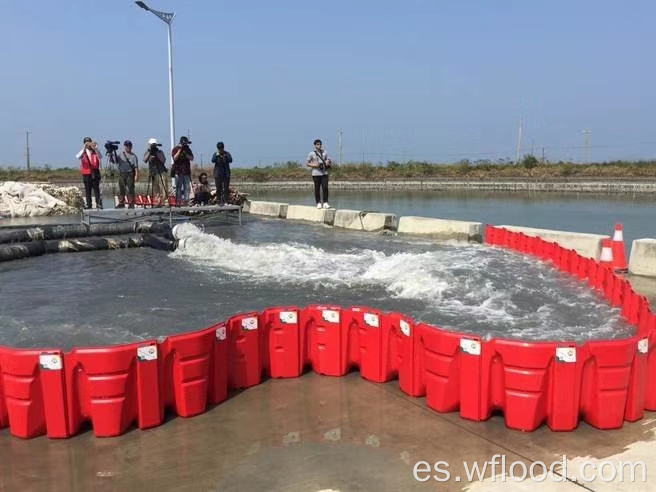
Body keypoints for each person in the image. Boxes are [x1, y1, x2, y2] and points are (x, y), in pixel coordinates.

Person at [75, 137, 103, 209]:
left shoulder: (95, 151)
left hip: (95, 172)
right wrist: (84, 148)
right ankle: (89, 205)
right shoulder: (83, 152)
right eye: (86, 143)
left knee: (96, 189)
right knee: (88, 190)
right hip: (86, 173)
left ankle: (98, 204)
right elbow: (78, 156)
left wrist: (95, 148)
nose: (88, 144)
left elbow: (100, 157)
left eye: (89, 142)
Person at [306, 138, 332, 209]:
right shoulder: (311, 153)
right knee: (317, 189)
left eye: (320, 144)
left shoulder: (325, 152)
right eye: (317, 144)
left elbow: (329, 160)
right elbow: (307, 163)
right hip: (316, 174)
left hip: (324, 173)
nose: (319, 145)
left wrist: (328, 162)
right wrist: (316, 165)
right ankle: (318, 203)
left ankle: (325, 202)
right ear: (315, 145)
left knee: (325, 187)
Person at [143, 138, 168, 205]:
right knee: (155, 188)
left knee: (164, 186)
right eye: (152, 145)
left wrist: (156, 153)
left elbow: (163, 160)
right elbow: (145, 160)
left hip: (161, 171)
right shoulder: (148, 152)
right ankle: (158, 200)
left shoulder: (160, 152)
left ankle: (164, 201)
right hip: (153, 172)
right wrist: (150, 152)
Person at [115, 140, 139, 208]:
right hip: (122, 173)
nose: (128, 147)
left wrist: (136, 175)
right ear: (124, 146)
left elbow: (136, 167)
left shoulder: (134, 156)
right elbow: (114, 161)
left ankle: (131, 203)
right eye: (127, 146)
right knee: (121, 189)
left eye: (129, 146)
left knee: (131, 189)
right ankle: (121, 202)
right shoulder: (120, 154)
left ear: (131, 147)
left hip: (130, 174)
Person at [171, 136, 194, 206]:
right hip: (178, 172)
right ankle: (178, 202)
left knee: (187, 187)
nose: (186, 145)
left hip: (186, 171)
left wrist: (186, 153)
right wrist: (180, 151)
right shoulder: (175, 149)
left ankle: (186, 201)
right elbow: (174, 158)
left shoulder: (188, 149)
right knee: (178, 188)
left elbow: (192, 158)